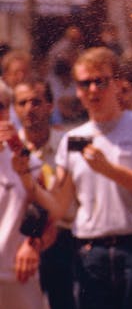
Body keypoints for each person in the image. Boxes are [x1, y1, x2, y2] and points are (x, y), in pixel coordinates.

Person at [14, 47, 132, 309]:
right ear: (76, 90)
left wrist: (110, 170)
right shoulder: (73, 139)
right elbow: (58, 207)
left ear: (117, 84)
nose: (92, 90)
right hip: (91, 255)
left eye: (100, 81)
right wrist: (26, 179)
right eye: (84, 83)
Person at [13, 80, 76, 309]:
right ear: (15, 108)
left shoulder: (67, 146)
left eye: (36, 101)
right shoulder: (7, 149)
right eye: (22, 103)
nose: (30, 108)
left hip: (64, 241)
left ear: (50, 105)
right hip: (18, 244)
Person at [0, 80, 46, 309]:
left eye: (0, 106)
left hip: (16, 275)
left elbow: (44, 207)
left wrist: (32, 242)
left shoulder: (25, 159)